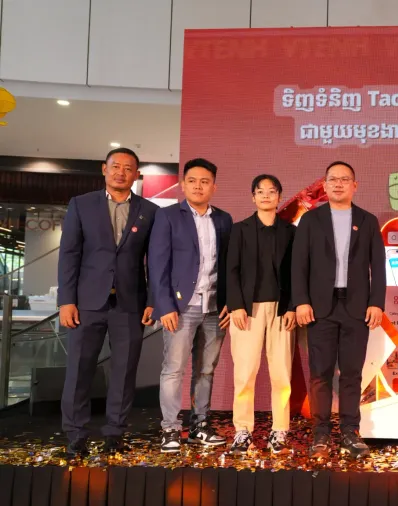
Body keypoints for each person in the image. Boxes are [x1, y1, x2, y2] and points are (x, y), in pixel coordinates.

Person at [58, 148, 158, 456]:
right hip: (86, 303)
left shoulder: (149, 210)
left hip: (130, 304)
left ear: (136, 174)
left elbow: (155, 260)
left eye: (128, 168)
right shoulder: (81, 204)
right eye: (116, 166)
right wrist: (66, 300)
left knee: (124, 373)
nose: (121, 172)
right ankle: (76, 434)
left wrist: (153, 300)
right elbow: (69, 254)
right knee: (79, 371)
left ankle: (115, 433)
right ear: (104, 169)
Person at [292, 161, 386, 459]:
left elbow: (378, 266)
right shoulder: (311, 220)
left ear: (354, 186)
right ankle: (320, 433)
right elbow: (299, 264)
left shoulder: (367, 220)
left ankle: (349, 431)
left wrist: (376, 302)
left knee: (352, 373)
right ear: (325, 185)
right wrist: (301, 301)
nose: (338, 184)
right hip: (320, 308)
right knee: (319, 374)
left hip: (356, 308)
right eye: (332, 179)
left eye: (345, 179)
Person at [149, 158, 233, 453]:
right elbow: (157, 264)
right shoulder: (168, 216)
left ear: (214, 187)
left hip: (214, 307)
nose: (198, 186)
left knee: (206, 370)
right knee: (173, 370)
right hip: (180, 307)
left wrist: (230, 302)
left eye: (205, 182)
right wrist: (164, 306)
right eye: (193, 181)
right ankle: (170, 429)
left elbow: (229, 265)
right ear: (183, 185)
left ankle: (200, 426)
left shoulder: (224, 219)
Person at [226, 175, 297, 454]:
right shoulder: (239, 230)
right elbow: (231, 270)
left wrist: (292, 307)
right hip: (247, 310)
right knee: (244, 374)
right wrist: (236, 305)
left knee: (282, 375)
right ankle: (242, 431)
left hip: (281, 310)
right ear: (253, 197)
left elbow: (297, 273)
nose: (266, 195)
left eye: (271, 191)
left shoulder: (290, 231)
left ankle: (279, 430)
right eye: (260, 191)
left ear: (279, 196)